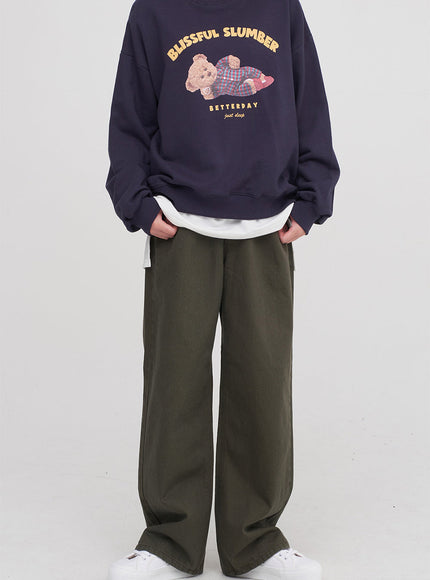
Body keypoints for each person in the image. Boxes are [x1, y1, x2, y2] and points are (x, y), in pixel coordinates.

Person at [105, 0, 340, 579]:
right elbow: (130, 114)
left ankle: (255, 542)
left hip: (268, 221)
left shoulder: (281, 8)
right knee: (174, 380)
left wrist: (312, 198)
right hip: (179, 220)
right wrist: (137, 202)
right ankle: (170, 541)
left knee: (262, 380)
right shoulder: (154, 10)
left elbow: (309, 104)